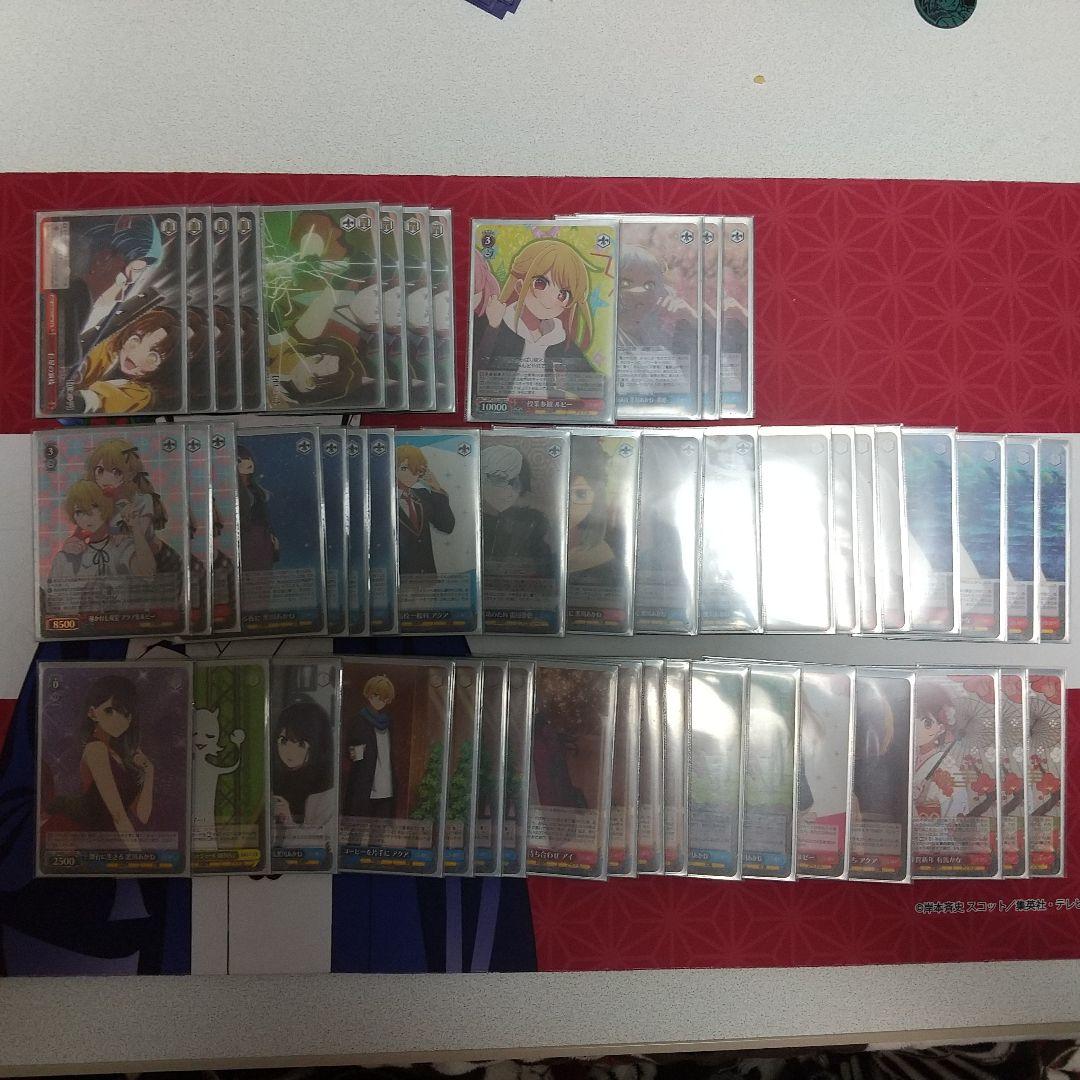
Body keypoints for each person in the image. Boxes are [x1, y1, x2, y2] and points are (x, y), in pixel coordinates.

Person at [472, 238, 597, 401]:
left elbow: (590, 383)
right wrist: (493, 328)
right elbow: (474, 373)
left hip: (549, 412)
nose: (550, 300)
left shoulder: (558, 338)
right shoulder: (496, 323)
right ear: (519, 286)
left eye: (563, 294)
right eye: (541, 283)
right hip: (500, 410)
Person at [43, 674, 154, 853]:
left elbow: (142, 816)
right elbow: (117, 814)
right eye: (109, 711)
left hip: (112, 840)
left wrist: (150, 772)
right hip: (92, 840)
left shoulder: (119, 755)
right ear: (92, 713)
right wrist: (138, 855)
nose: (118, 720)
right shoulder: (96, 749)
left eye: (125, 714)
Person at [85, 436, 182, 578]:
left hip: (162, 562)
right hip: (125, 566)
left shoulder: (142, 500)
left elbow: (139, 534)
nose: (106, 478)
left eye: (116, 472)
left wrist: (121, 501)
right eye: (100, 470)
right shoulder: (99, 501)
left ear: (130, 473)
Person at [71, 307, 181, 414]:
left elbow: (99, 400)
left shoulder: (141, 394)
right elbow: (83, 363)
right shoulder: (107, 349)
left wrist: (78, 401)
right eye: (135, 340)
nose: (136, 354)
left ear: (165, 366)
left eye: (153, 357)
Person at [480, 444, 553, 576]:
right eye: (499, 479)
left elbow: (546, 568)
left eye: (516, 482)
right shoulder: (469, 522)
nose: (510, 491)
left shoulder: (531, 523)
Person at [271, 698, 335, 839]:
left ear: (317, 745)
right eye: (283, 741)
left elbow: (318, 843)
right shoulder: (273, 780)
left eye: (300, 744)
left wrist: (288, 821)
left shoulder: (325, 793)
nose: (289, 751)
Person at [566, 444, 621, 591]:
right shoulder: (541, 541)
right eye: (562, 493)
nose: (567, 504)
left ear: (596, 499)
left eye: (580, 494)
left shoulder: (601, 557)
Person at [342, 675, 397, 818]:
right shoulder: (358, 720)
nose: (379, 700)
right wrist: (358, 752)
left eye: (384, 698)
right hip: (364, 784)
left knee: (381, 826)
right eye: (376, 695)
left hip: (386, 786)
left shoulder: (389, 722)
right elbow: (349, 751)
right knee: (359, 825)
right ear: (369, 694)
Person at [395, 445, 455, 576]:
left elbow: (446, 526)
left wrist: (435, 487)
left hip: (427, 575)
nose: (410, 474)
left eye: (415, 469)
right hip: (398, 575)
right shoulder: (383, 499)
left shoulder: (423, 495)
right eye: (404, 468)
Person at [273, 335, 365, 408]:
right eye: (318, 359)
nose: (308, 367)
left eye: (313, 379)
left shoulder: (278, 401)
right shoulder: (282, 344)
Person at [236, 445, 278, 572]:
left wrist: (272, 538)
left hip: (261, 538)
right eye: (241, 460)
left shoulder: (257, 491)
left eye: (248, 459)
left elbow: (264, 516)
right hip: (248, 538)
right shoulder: (238, 493)